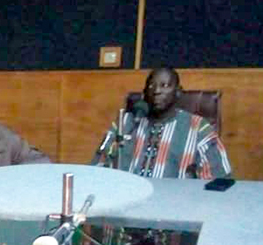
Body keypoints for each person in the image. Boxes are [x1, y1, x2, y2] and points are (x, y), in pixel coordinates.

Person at [91, 67, 231, 179]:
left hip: (176, 207)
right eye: (151, 86)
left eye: (165, 86)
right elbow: (98, 168)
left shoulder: (199, 128)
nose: (157, 91)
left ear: (178, 92)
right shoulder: (126, 123)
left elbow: (219, 180)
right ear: (144, 93)